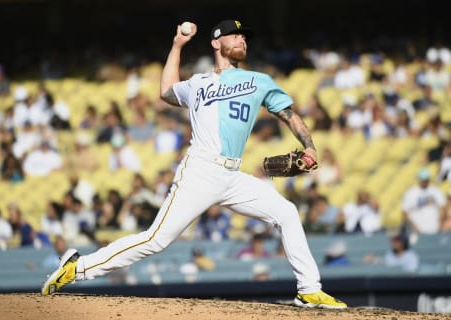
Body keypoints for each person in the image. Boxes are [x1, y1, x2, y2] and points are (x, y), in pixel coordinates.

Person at [41, 19, 346, 309]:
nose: (242, 39)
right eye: (235, 34)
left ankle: (309, 290)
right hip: (200, 171)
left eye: (245, 37)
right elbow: (165, 91)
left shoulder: (259, 81)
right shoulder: (198, 83)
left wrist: (310, 146)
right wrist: (177, 45)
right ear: (217, 42)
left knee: (287, 212)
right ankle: (77, 268)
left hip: (232, 175)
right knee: (156, 240)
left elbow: (289, 115)